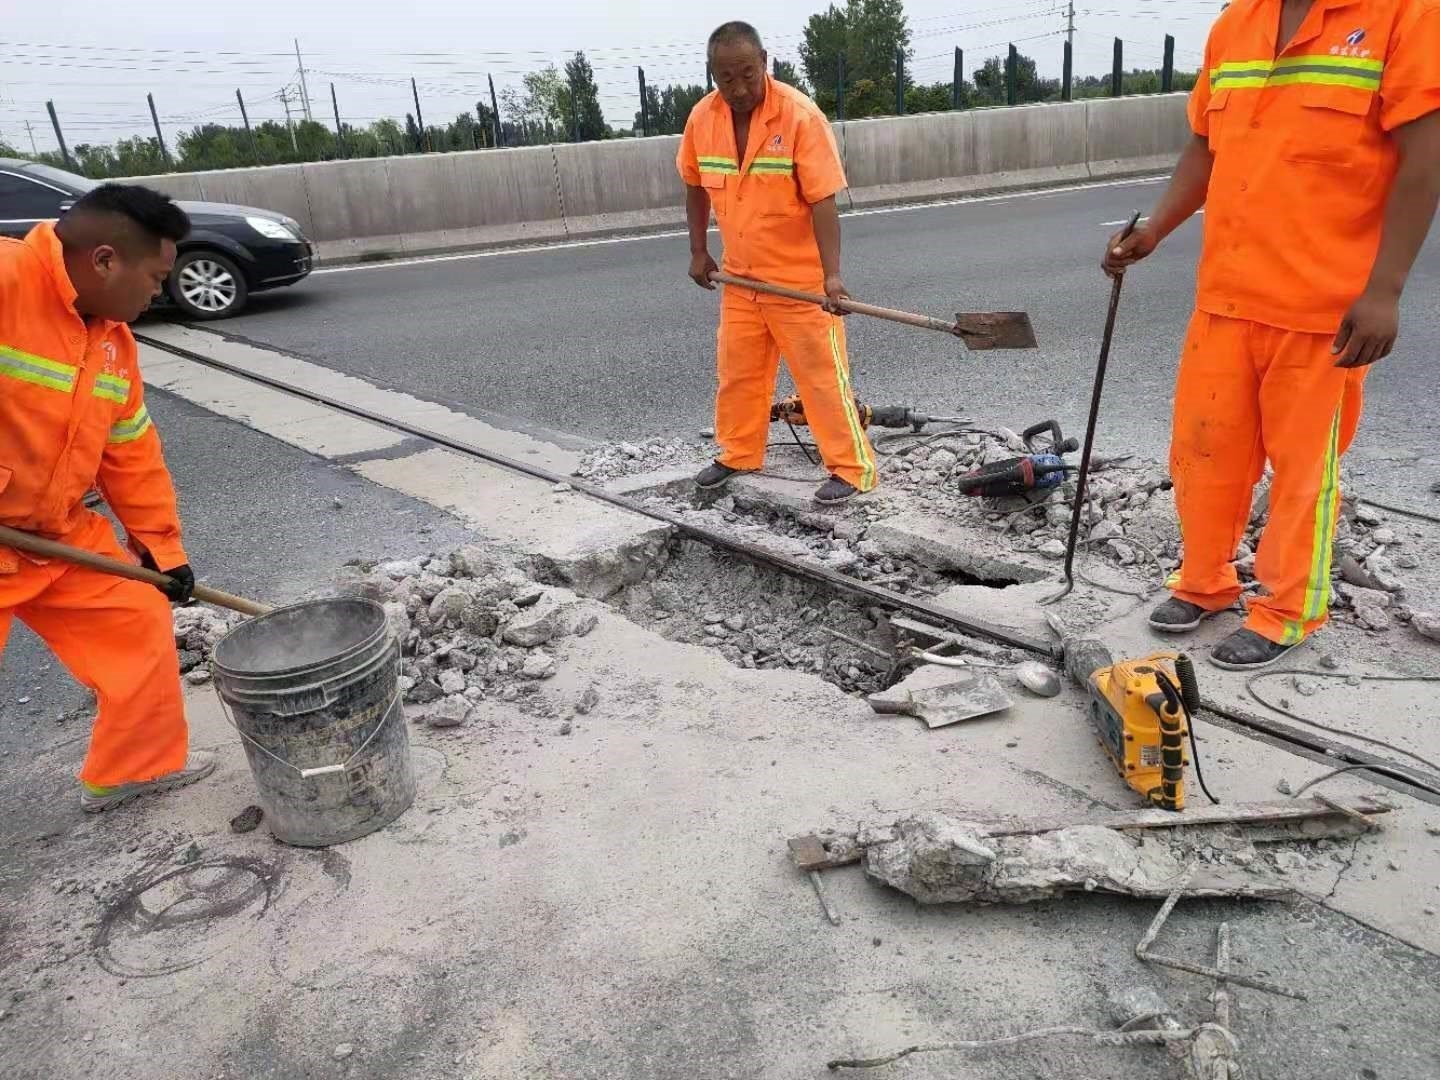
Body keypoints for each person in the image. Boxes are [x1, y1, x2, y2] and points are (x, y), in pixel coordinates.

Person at [1105, 0, 1440, 670]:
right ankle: (1205, 583)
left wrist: (1384, 291)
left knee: (1302, 473)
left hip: (1324, 309)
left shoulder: (1404, 15)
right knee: (1203, 453)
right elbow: (1205, 146)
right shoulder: (1237, 24)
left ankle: (1289, 607)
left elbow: (1424, 154)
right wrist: (1154, 231)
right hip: (1226, 297)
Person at [0, 183, 215, 811]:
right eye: (154, 276)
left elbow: (130, 453)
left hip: (52, 536)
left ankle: (130, 771)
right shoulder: (6, 278)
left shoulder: (112, 343)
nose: (159, 292)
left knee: (135, 614)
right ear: (104, 260)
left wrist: (161, 551)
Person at [678, 20, 878, 506]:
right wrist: (699, 251)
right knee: (739, 373)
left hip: (798, 282)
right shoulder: (703, 120)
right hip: (740, 277)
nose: (739, 87)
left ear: (765, 62)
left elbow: (823, 201)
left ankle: (853, 469)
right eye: (726, 78)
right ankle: (739, 452)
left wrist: (832, 275)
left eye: (747, 73)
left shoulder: (798, 116)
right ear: (712, 75)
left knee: (821, 378)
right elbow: (694, 184)